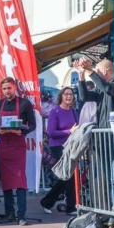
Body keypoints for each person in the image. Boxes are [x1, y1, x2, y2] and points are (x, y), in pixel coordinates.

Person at [0, 77, 36, 226]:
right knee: (6, 181)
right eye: (4, 89)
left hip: (17, 146)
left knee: (20, 180)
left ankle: (21, 215)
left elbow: (33, 125)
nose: (7, 92)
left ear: (15, 88)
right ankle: (9, 213)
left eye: (9, 88)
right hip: (4, 146)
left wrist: (21, 132)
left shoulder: (25, 104)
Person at [40, 87, 78, 215]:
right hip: (58, 147)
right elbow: (51, 133)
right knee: (68, 176)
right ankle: (70, 207)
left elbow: (76, 128)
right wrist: (68, 131)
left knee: (66, 177)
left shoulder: (73, 111)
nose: (68, 96)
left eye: (70, 94)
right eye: (66, 94)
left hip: (71, 147)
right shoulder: (54, 112)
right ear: (61, 96)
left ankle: (47, 202)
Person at [76, 58, 114, 128]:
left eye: (97, 71)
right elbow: (84, 97)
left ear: (104, 72)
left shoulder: (113, 85)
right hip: (102, 135)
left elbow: (107, 89)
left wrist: (89, 70)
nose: (95, 74)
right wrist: (81, 74)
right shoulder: (99, 90)